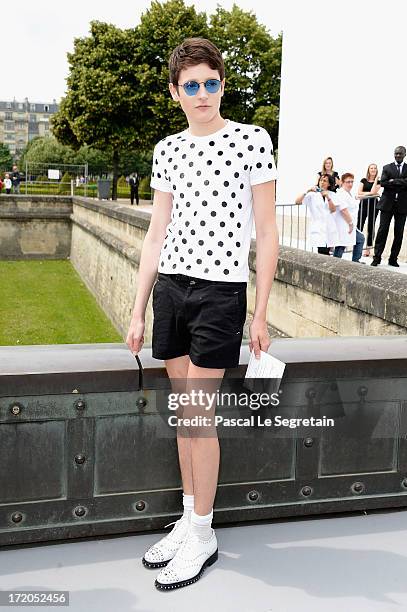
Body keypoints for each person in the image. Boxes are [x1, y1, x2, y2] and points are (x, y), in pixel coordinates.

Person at [125, 37, 278, 591]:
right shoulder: (167, 150)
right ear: (175, 92)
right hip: (172, 288)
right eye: (191, 85)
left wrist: (260, 314)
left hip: (219, 293)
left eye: (211, 82)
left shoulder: (252, 140)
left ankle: (204, 531)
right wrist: (139, 309)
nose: (203, 94)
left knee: (196, 415)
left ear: (221, 83)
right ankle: (190, 519)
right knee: (182, 415)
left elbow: (266, 233)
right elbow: (155, 234)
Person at [371, 146, 407, 267]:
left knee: (399, 232)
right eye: (396, 153)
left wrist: (393, 181)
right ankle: (376, 258)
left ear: (405, 154)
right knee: (382, 231)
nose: (398, 156)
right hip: (387, 205)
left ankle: (393, 259)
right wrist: (401, 182)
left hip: (402, 206)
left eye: (400, 154)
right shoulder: (387, 167)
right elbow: (383, 183)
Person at [295, 174, 338, 254]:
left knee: (326, 252)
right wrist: (307, 191)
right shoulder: (312, 195)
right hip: (318, 228)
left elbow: (333, 210)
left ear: (329, 184)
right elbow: (297, 202)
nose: (322, 182)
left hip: (329, 228)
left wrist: (328, 197)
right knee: (322, 251)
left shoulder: (332, 195)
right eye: (321, 180)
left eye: (325, 181)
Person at [331, 173, 365, 262]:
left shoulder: (348, 193)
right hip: (344, 224)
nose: (350, 184)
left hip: (350, 224)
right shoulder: (341, 194)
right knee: (341, 245)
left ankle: (355, 262)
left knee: (359, 239)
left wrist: (357, 198)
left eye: (352, 182)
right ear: (342, 182)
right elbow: (343, 210)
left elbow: (352, 202)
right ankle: (334, 264)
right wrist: (350, 223)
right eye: (348, 182)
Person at [357, 163, 381, 257]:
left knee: (371, 226)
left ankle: (368, 248)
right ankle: (357, 246)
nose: (373, 170)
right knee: (359, 225)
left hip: (374, 205)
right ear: (368, 169)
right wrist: (370, 194)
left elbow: (374, 191)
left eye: (375, 168)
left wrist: (375, 181)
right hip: (363, 204)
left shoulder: (379, 182)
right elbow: (359, 192)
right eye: (371, 168)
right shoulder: (363, 180)